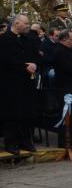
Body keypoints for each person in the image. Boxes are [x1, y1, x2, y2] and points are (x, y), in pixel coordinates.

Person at [0, 15, 41, 154]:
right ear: (17, 23)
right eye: (26, 23)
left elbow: (36, 55)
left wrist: (34, 64)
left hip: (28, 82)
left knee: (27, 113)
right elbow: (6, 59)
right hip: (11, 83)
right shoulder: (4, 39)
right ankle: (11, 143)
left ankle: (26, 141)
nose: (28, 26)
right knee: (11, 114)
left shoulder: (29, 39)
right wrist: (24, 66)